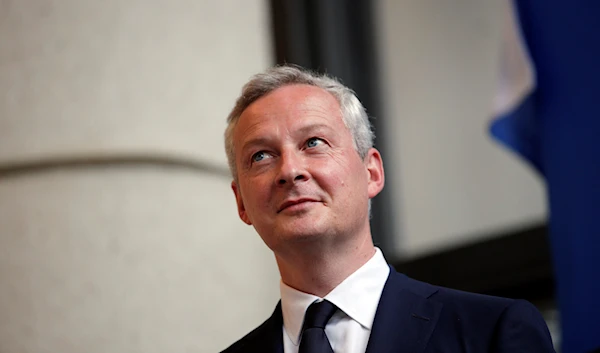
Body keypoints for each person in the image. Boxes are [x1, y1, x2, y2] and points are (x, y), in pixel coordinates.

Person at [221, 65, 555, 353]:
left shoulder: (491, 333)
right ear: (241, 203)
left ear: (372, 172)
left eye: (313, 143)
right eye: (261, 156)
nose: (289, 171)